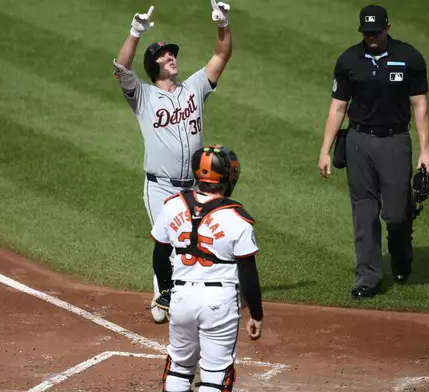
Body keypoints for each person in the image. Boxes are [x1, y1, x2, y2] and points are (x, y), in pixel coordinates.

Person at [113, 1, 233, 322]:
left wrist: (223, 25)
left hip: (193, 185)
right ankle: (161, 291)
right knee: (166, 243)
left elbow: (221, 56)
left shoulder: (194, 87)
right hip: (159, 187)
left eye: (172, 53)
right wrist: (135, 32)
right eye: (164, 55)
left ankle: (181, 292)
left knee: (191, 243)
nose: (171, 57)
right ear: (154, 66)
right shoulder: (143, 96)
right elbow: (121, 69)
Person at [318, 4, 429, 299]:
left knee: (396, 214)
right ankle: (367, 278)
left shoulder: (409, 58)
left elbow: (419, 105)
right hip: (359, 141)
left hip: (395, 141)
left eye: (376, 31)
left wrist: (426, 150)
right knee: (364, 211)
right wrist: (325, 150)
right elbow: (338, 106)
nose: (371, 36)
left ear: (388, 28)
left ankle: (401, 251)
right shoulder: (348, 61)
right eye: (367, 32)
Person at [150, 144, 264, 391]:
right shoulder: (237, 218)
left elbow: (160, 255)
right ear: (228, 177)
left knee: (178, 368)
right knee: (216, 374)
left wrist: (167, 292)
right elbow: (247, 272)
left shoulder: (172, 205)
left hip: (182, 299)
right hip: (219, 303)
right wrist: (256, 314)